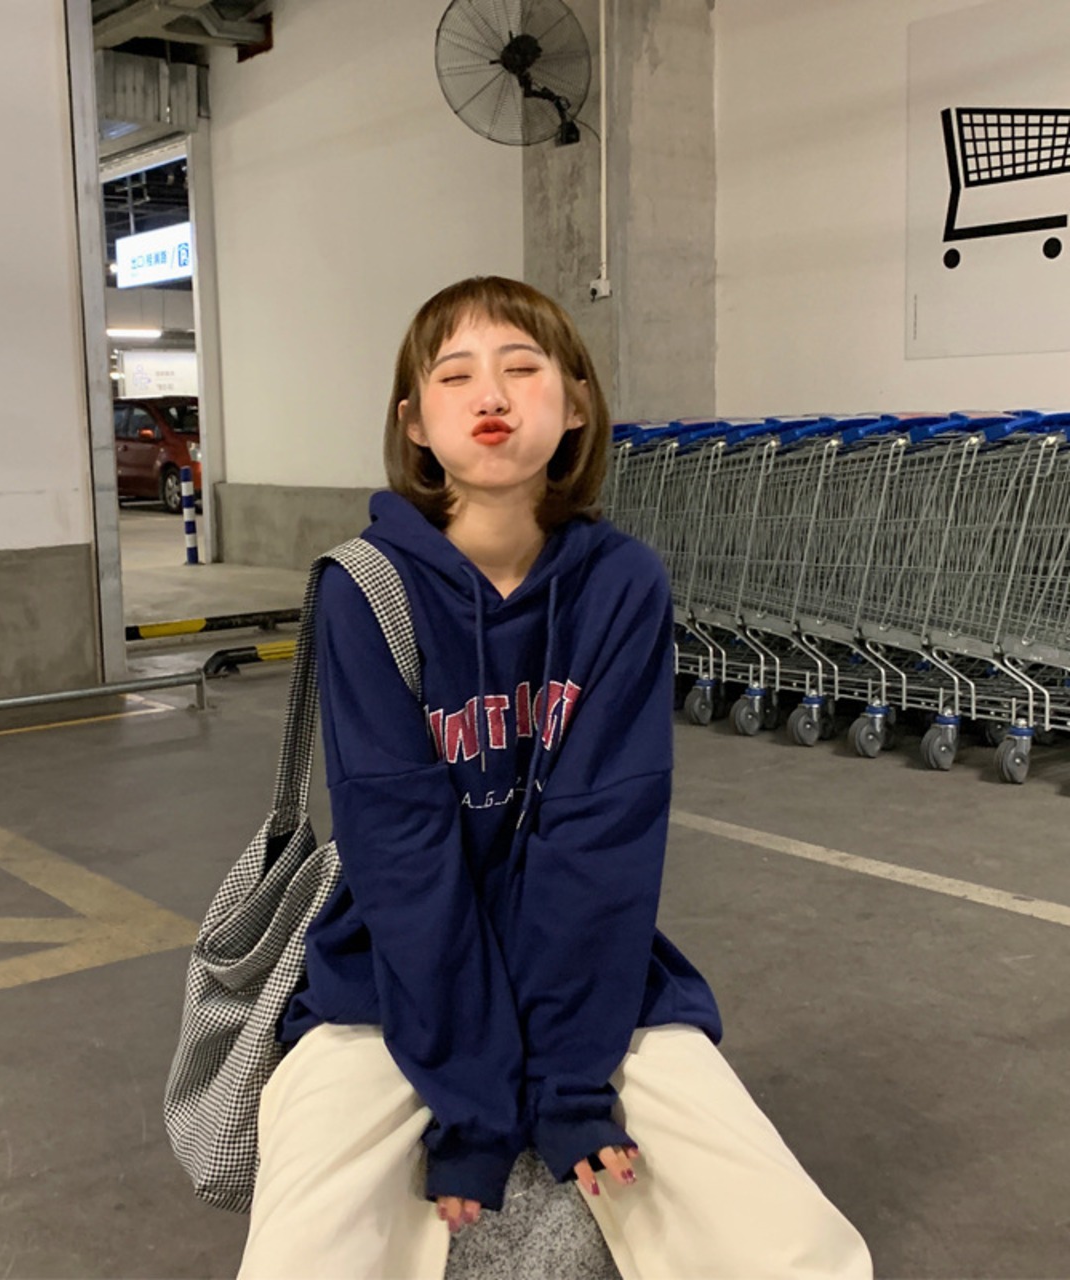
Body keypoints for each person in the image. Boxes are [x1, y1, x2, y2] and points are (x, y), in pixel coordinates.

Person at [237, 277, 873, 1280]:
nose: (491, 393)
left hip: (591, 971)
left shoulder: (621, 585)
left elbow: (600, 844)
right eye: (454, 375)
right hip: (393, 977)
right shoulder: (365, 588)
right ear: (414, 424)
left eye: (522, 367)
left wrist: (570, 1087)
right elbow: (402, 860)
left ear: (574, 403)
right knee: (302, 1255)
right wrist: (475, 1105)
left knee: (794, 1247)